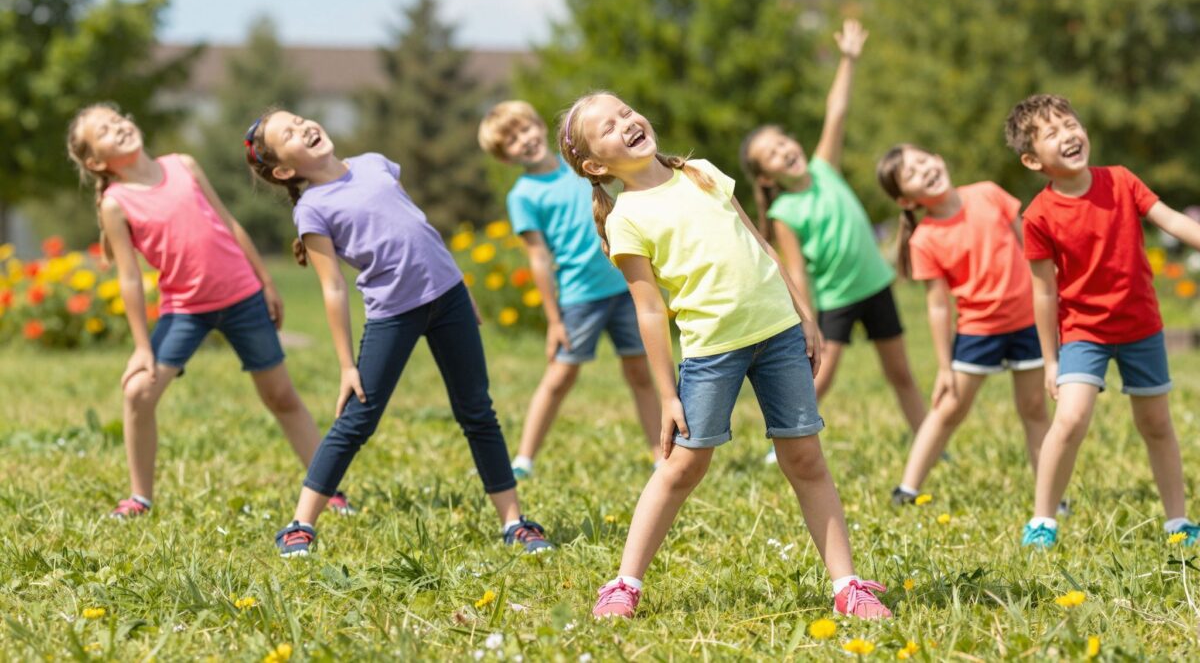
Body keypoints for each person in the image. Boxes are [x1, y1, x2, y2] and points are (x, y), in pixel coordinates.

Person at [560, 91, 890, 620]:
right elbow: (649, 313)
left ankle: (848, 586)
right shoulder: (627, 218)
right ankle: (623, 584)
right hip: (712, 352)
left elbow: (758, 241)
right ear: (595, 164)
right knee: (682, 466)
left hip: (779, 333)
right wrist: (667, 395)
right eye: (608, 126)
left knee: (805, 458)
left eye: (626, 112)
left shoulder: (701, 172)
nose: (626, 122)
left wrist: (804, 313)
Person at [246, 109, 551, 556]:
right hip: (393, 314)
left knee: (477, 411)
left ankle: (514, 522)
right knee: (356, 419)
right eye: (288, 134)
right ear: (285, 170)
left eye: (300, 119)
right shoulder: (313, 208)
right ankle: (300, 524)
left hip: (448, 299)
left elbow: (419, 227)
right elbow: (332, 288)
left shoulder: (375, 163)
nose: (304, 127)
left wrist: (460, 288)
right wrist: (347, 365)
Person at [66, 103, 350, 518]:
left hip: (244, 298)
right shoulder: (116, 203)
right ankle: (140, 496)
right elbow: (129, 278)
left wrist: (266, 283)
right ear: (96, 161)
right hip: (185, 311)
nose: (119, 127)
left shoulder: (183, 165)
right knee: (138, 393)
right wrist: (142, 348)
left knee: (281, 395)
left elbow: (230, 223)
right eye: (105, 131)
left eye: (118, 119)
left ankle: (329, 490)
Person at [1004, 94, 1200, 547]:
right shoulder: (1038, 216)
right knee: (1071, 419)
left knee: (1157, 424)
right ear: (1033, 160)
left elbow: (1169, 218)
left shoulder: (1121, 181)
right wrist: (1050, 362)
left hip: (1141, 327)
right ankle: (1042, 521)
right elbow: (1044, 291)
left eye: (1070, 124)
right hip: (1083, 334)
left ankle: (1178, 521)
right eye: (1052, 133)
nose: (1068, 135)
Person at [741, 21, 925, 464]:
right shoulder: (785, 213)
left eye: (783, 141)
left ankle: (928, 442)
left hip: (876, 286)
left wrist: (848, 58)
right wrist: (809, 319)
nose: (785, 149)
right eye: (772, 153)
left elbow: (836, 111)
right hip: (838, 299)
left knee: (901, 373)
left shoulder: (825, 168)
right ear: (766, 176)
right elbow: (797, 272)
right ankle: (786, 441)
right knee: (822, 376)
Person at [477, 100, 659, 480]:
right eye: (511, 140)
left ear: (538, 125)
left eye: (524, 128)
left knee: (641, 372)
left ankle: (659, 453)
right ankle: (524, 459)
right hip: (578, 298)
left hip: (623, 285)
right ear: (505, 157)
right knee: (560, 378)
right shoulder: (524, 196)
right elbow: (539, 259)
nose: (523, 140)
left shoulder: (582, 167)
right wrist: (553, 319)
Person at [876, 144, 1052, 505]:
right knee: (949, 408)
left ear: (940, 159)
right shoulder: (924, 239)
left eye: (924, 161)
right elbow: (938, 306)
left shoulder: (988, 193)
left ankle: (1052, 496)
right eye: (911, 173)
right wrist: (944, 366)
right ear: (907, 201)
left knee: (1034, 408)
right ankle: (907, 490)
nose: (924, 170)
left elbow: (1033, 247)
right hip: (978, 332)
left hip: (1029, 323)